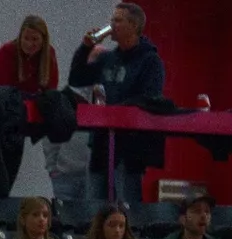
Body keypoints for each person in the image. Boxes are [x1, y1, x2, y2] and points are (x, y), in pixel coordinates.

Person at [68, 4, 164, 204]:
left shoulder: (150, 61)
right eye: (112, 20)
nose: (112, 25)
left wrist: (115, 111)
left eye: (118, 20)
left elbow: (149, 99)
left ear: (134, 25)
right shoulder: (107, 58)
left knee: (126, 204)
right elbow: (77, 79)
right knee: (95, 204)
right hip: (101, 143)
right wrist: (85, 47)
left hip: (129, 147)